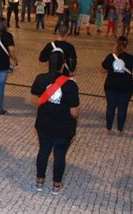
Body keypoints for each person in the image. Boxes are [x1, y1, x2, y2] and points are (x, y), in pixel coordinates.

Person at [31, 51, 79, 195]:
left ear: (48, 62)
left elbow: (36, 92)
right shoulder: (71, 85)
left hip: (44, 123)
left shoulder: (40, 79)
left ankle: (40, 181)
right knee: (59, 154)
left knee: (43, 151)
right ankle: (56, 185)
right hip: (64, 126)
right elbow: (74, 113)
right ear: (63, 64)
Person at [102, 36, 133, 136]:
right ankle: (120, 130)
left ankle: (108, 128)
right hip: (125, 88)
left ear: (116, 44)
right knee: (122, 108)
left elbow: (103, 67)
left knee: (110, 107)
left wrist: (112, 70)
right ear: (126, 45)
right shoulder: (130, 58)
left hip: (110, 86)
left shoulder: (110, 57)